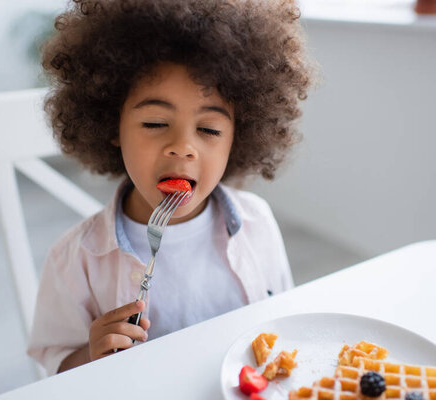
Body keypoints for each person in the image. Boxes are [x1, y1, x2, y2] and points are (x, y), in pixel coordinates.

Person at [27, 0, 314, 375]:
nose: (183, 146)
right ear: (112, 125)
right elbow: (55, 365)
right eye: (155, 123)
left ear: (238, 137)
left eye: (209, 129)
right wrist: (90, 356)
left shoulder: (257, 223)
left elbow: (281, 325)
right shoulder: (76, 259)